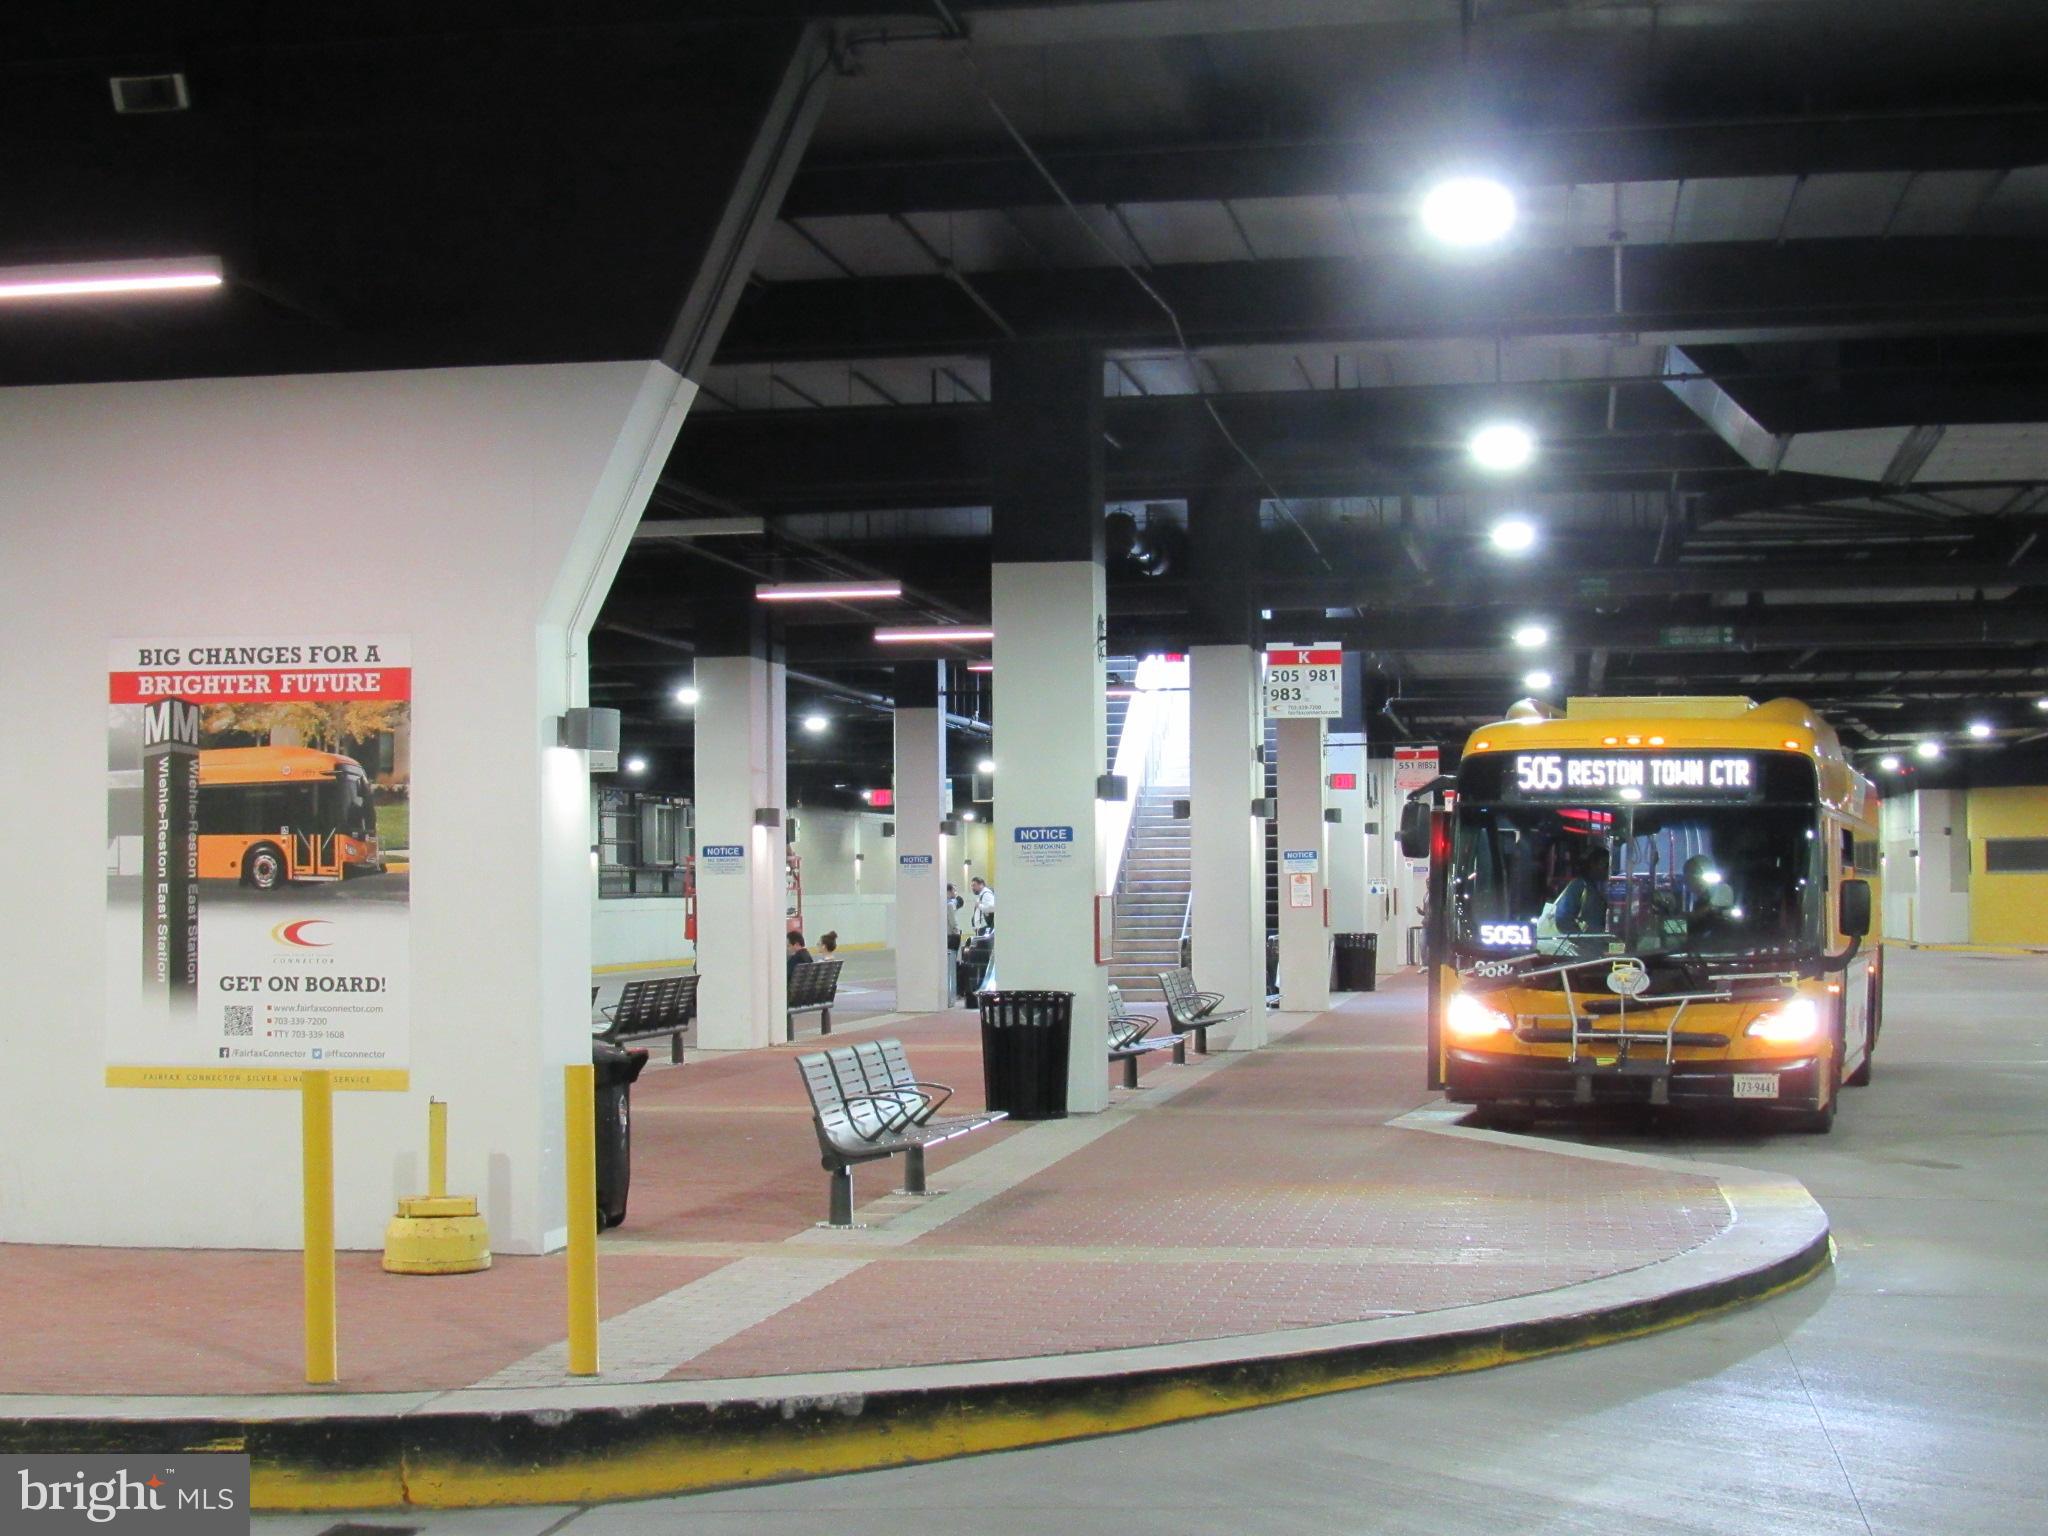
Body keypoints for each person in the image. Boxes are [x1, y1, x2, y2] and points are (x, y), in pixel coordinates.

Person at [1553, 846, 1610, 936]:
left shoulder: (1601, 886)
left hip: (1599, 943)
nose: (1608, 869)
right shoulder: (1579, 886)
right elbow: (1562, 919)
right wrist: (1580, 938)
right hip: (1582, 945)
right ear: (1592, 864)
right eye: (1605, 864)